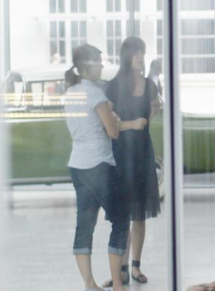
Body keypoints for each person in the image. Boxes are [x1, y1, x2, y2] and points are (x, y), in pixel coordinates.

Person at [63, 44, 132, 291]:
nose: (103, 66)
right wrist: (116, 120)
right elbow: (112, 132)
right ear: (88, 65)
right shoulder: (95, 95)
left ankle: (89, 284)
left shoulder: (71, 92)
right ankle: (117, 284)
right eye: (100, 62)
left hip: (77, 165)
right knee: (121, 220)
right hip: (99, 164)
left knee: (85, 224)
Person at [106, 36, 161, 287]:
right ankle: (123, 268)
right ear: (126, 56)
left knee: (139, 213)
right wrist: (132, 124)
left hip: (142, 152)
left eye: (143, 51)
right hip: (121, 154)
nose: (140, 56)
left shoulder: (150, 84)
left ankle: (135, 266)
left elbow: (151, 114)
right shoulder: (114, 86)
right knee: (123, 215)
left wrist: (156, 107)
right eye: (136, 52)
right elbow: (111, 125)